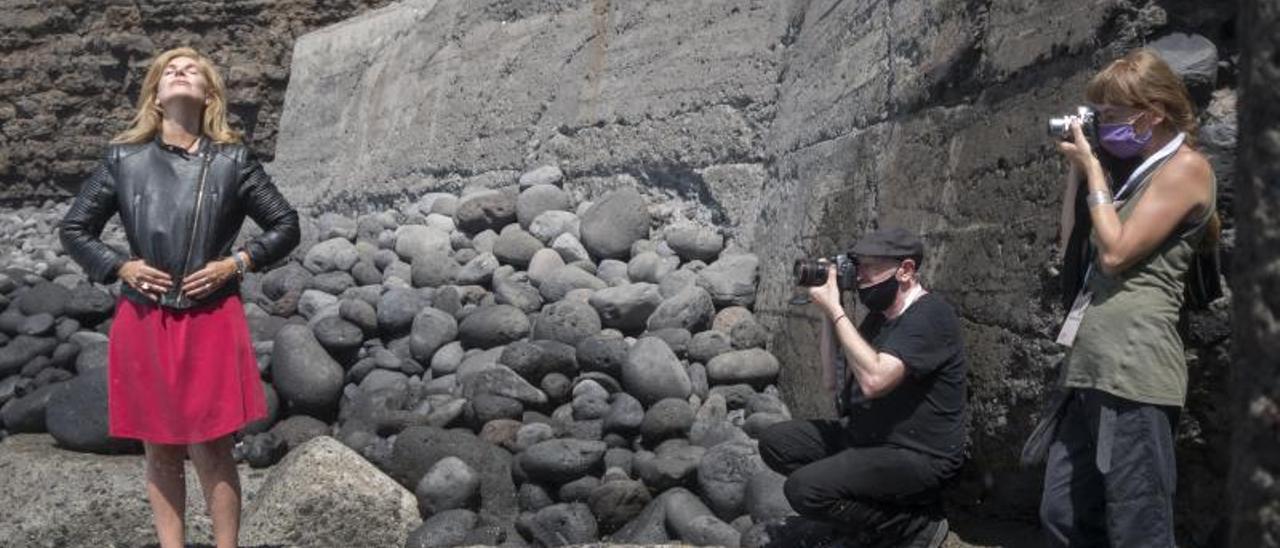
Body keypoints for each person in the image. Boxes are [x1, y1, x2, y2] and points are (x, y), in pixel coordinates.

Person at [59, 47, 300, 548]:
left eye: (191, 69)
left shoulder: (233, 159)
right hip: (143, 315)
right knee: (160, 449)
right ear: (155, 95)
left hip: (211, 314)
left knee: (212, 447)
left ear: (208, 91)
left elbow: (285, 224)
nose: (179, 72)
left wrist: (236, 264)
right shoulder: (122, 158)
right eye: (169, 70)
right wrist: (119, 265)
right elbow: (75, 228)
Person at [1040, 48, 1217, 547]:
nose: (1102, 125)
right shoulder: (1131, 176)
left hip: (1133, 372)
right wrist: (1079, 170)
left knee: (1137, 527)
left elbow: (1115, 254)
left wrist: (1094, 168)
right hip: (1091, 368)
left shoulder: (1186, 169)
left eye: (1111, 116)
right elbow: (1072, 242)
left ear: (1153, 112)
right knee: (1064, 515)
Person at [759, 227, 967, 548]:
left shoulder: (930, 315)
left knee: (803, 490)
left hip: (918, 456)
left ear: (905, 270)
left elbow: (874, 381)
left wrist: (837, 311)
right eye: (857, 267)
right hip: (869, 439)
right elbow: (832, 382)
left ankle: (913, 527)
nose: (860, 277)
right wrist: (830, 313)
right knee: (776, 443)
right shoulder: (878, 319)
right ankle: (866, 514)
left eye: (869, 267)